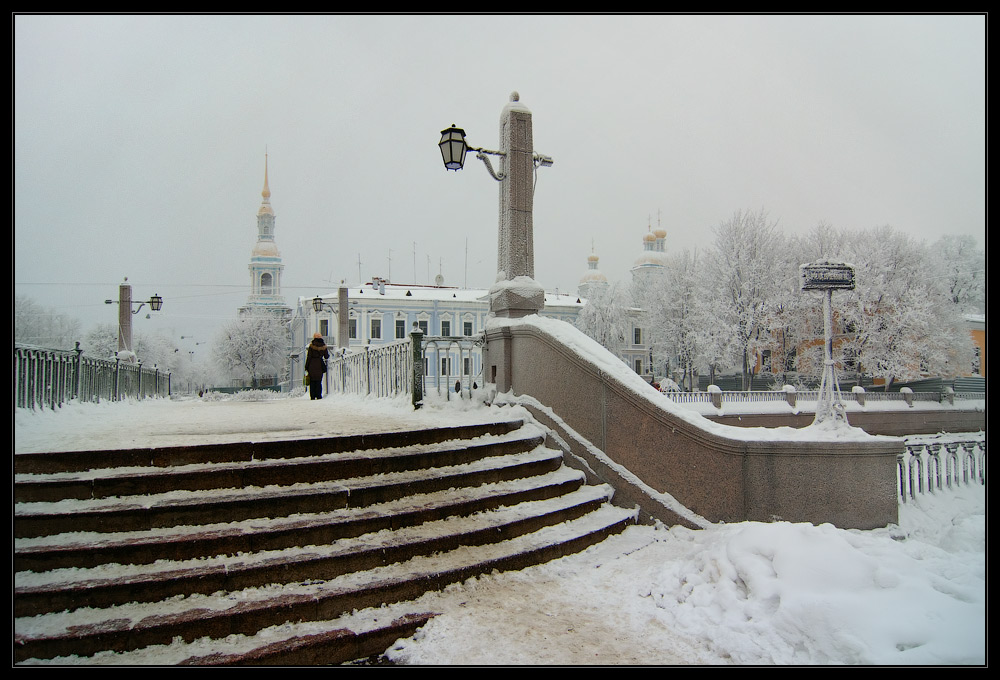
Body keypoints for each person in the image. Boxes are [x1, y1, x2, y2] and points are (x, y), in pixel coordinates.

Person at [305, 333, 329, 400]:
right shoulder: (323, 346)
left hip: (312, 365)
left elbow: (309, 356)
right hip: (319, 365)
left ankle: (312, 396)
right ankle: (319, 395)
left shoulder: (311, 346)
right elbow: (326, 356)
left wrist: (306, 366)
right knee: (318, 381)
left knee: (312, 382)